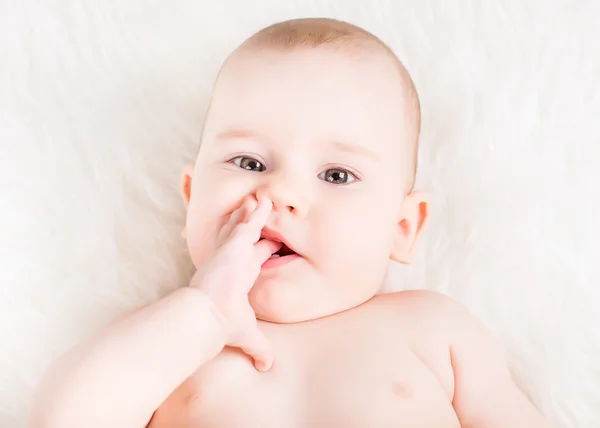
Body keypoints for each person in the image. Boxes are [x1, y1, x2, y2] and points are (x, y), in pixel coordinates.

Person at [31, 17, 548, 428]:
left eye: (337, 174)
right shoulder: (164, 339)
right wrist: (204, 313)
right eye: (250, 163)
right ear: (192, 201)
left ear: (402, 227)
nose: (280, 193)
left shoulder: (436, 330)